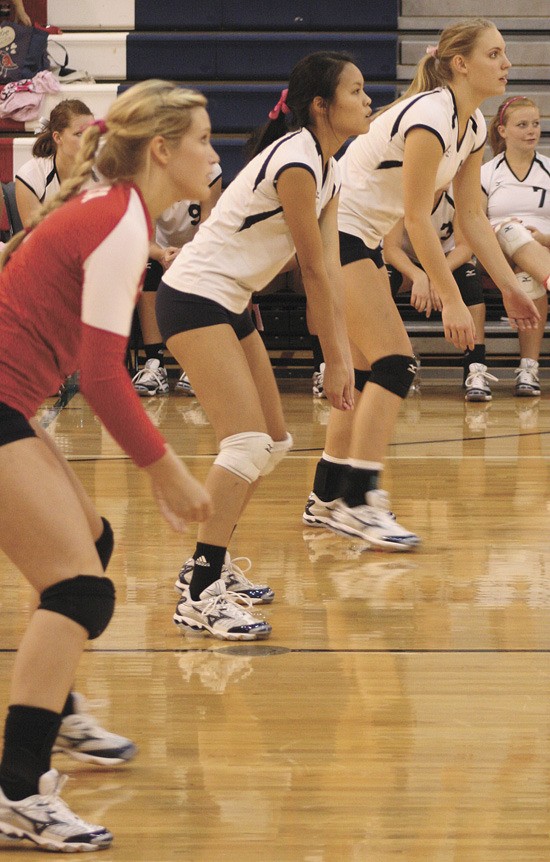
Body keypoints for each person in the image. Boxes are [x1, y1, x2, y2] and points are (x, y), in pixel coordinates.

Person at [0, 79, 214, 853]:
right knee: (81, 590)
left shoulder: (114, 208)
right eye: (202, 138)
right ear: (162, 149)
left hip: (10, 404)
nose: (212, 152)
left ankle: (54, 714)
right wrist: (166, 470)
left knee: (88, 547)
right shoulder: (119, 218)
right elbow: (101, 373)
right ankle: (18, 793)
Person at [156, 51, 372, 639]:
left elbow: (328, 267)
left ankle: (211, 564)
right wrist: (336, 359)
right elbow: (314, 271)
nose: (367, 98)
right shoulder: (299, 160)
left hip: (229, 300)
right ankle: (199, 592)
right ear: (321, 106)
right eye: (355, 91)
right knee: (246, 442)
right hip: (195, 296)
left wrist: (341, 354)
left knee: (272, 442)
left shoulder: (327, 164)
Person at [303, 17, 540, 550]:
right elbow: (414, 219)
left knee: (365, 372)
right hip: (334, 231)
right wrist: (453, 299)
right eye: (495, 54)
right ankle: (359, 501)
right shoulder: (431, 116)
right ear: (461, 64)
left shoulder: (473, 124)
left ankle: (327, 494)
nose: (507, 64)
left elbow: (473, 219)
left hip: (354, 237)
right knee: (395, 361)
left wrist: (508, 286)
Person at [384, 184, 491, 401]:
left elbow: (464, 247)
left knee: (470, 279)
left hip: (446, 261)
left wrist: (436, 275)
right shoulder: (401, 191)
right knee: (382, 281)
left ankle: (475, 368)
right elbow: (391, 249)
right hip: (408, 264)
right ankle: (382, 364)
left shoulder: (457, 192)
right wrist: (419, 276)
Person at [132, 164, 222, 396]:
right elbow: (145, 238)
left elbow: (209, 227)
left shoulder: (209, 171)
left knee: (202, 268)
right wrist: (162, 254)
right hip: (161, 250)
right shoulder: (148, 174)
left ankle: (195, 366)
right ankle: (155, 364)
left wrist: (188, 252)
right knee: (146, 266)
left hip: (199, 246)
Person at [481, 95, 550, 398]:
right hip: (494, 256)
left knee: (529, 272)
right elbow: (472, 225)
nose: (531, 130)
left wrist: (544, 239)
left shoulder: (548, 169)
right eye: (522, 125)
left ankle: (528, 369)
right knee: (510, 228)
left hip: (542, 251)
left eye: (535, 124)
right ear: (502, 130)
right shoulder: (487, 173)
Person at [15, 99, 94, 227]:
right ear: (57, 137)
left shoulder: (106, 172)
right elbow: (37, 239)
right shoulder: (30, 176)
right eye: (79, 134)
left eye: (92, 133)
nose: (89, 140)